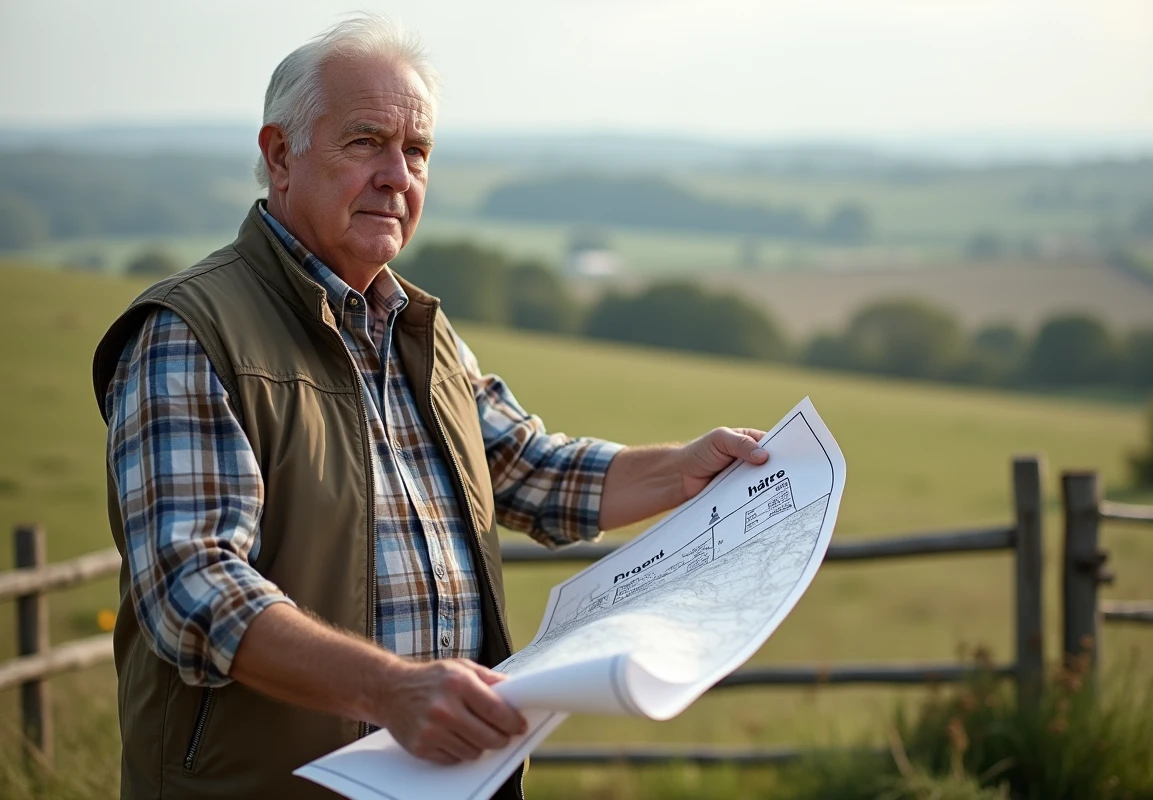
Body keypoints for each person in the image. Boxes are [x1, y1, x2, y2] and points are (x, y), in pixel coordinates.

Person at [92, 14, 769, 800]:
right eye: (365, 142)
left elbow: (528, 468)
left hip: (448, 781)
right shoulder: (191, 332)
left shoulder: (419, 329)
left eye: (416, 152)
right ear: (279, 155)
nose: (397, 176)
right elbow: (193, 587)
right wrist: (389, 689)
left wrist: (684, 470)